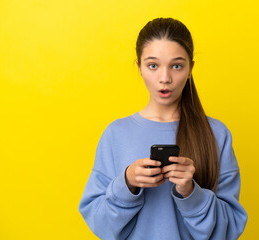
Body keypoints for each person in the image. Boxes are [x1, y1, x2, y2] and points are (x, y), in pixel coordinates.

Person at [79, 17, 247, 240]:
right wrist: (126, 183)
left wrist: (191, 193)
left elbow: (230, 229)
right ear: (139, 67)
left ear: (190, 69)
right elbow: (100, 225)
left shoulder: (216, 134)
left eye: (177, 66)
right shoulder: (115, 134)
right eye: (153, 65)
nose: (165, 78)